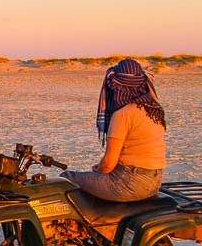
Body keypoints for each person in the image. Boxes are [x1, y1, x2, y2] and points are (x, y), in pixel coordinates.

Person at [60, 58, 166, 202]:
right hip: (154, 181)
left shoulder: (123, 114)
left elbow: (109, 164)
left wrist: (97, 170)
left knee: (66, 178)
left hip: (129, 183)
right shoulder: (153, 110)